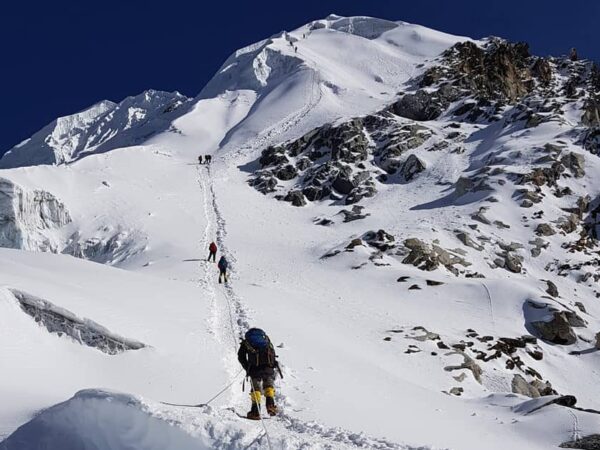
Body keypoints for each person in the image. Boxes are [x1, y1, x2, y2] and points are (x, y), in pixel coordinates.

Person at [238, 328, 281, 419]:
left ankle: (255, 411)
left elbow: (241, 356)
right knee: (268, 385)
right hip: (268, 367)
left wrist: (247, 367)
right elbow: (272, 352)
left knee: (256, 388)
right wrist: (272, 365)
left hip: (254, 369)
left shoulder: (247, 342)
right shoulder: (266, 339)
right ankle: (271, 405)